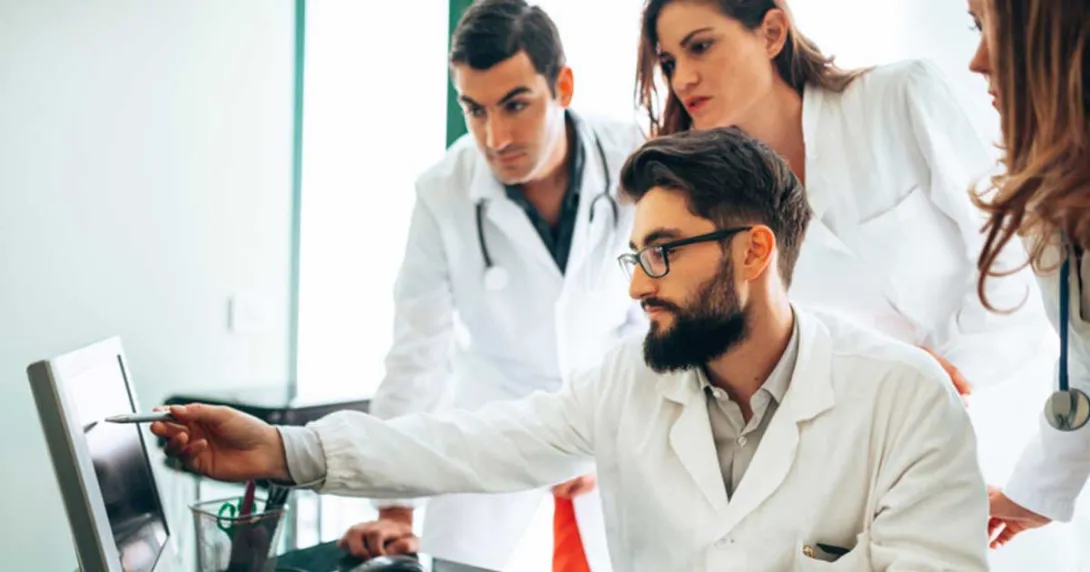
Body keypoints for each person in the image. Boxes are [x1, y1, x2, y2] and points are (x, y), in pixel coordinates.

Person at [153, 127, 991, 571]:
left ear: (754, 252)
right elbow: (474, 442)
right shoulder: (631, 383)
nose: (636, 287)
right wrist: (285, 450)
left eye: (662, 254)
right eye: (635, 256)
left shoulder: (907, 402)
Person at [635, 1, 1064, 568]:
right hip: (851, 461)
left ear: (771, 32)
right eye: (667, 61)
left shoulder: (897, 98)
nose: (681, 77)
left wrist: (933, 375)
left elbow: (1011, 255)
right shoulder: (703, 209)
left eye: (700, 45)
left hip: (1003, 416)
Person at [339, 1, 646, 570]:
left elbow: (659, 320)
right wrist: (395, 507)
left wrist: (619, 433)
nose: (494, 136)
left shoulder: (635, 158)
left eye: (516, 105)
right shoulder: (442, 191)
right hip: (495, 415)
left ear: (564, 85)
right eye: (474, 110)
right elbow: (417, 353)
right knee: (451, 561)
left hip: (613, 411)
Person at [965, 0, 1090, 552]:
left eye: (995, 29)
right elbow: (1086, 364)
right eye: (976, 28)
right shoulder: (1054, 198)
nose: (977, 60)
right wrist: (1034, 491)